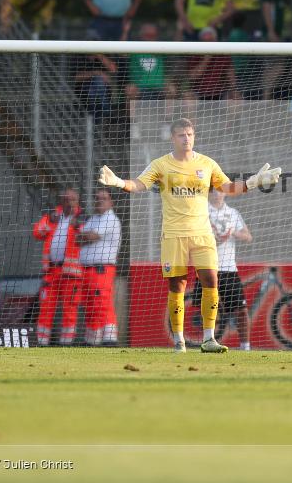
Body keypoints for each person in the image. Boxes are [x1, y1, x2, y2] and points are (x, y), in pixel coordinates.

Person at [97, 118, 281, 353]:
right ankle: (179, 341)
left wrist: (254, 182)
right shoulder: (161, 164)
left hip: (202, 234)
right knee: (178, 286)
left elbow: (228, 188)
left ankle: (209, 339)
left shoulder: (207, 163)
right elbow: (139, 184)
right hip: (174, 235)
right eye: (182, 135)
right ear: (173, 138)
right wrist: (118, 182)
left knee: (211, 281)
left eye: (190, 134)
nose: (187, 139)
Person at [193, 188, 253, 350]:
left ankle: (245, 347)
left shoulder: (232, 213)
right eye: (213, 191)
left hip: (228, 268)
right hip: (206, 266)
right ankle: (206, 341)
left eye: (220, 191)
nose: (217, 194)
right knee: (204, 308)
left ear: (226, 193)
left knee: (241, 309)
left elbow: (248, 236)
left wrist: (232, 233)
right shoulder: (201, 210)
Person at [33, 188, 85, 346]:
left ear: (77, 201)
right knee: (46, 308)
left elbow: (88, 237)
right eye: (66, 199)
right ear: (61, 201)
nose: (69, 203)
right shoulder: (53, 216)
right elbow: (37, 232)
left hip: (71, 273)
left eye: (72, 200)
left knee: (69, 310)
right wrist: (49, 221)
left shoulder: (82, 218)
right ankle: (41, 342)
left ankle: (66, 344)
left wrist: (78, 227)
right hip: (51, 271)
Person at [78, 188, 122, 346]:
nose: (99, 201)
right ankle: (92, 339)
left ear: (111, 202)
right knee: (90, 304)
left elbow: (90, 236)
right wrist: (85, 236)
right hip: (88, 269)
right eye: (97, 198)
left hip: (102, 269)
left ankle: (110, 338)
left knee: (102, 302)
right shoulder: (94, 219)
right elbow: (79, 239)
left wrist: (85, 236)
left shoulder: (110, 219)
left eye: (103, 198)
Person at [187, 27, 237, 100]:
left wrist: (234, 89)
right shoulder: (195, 55)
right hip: (199, 92)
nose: (208, 44)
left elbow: (230, 73)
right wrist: (206, 59)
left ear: (216, 40)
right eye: (205, 41)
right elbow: (192, 76)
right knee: (188, 98)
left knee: (235, 98)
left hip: (221, 92)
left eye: (210, 41)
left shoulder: (223, 54)